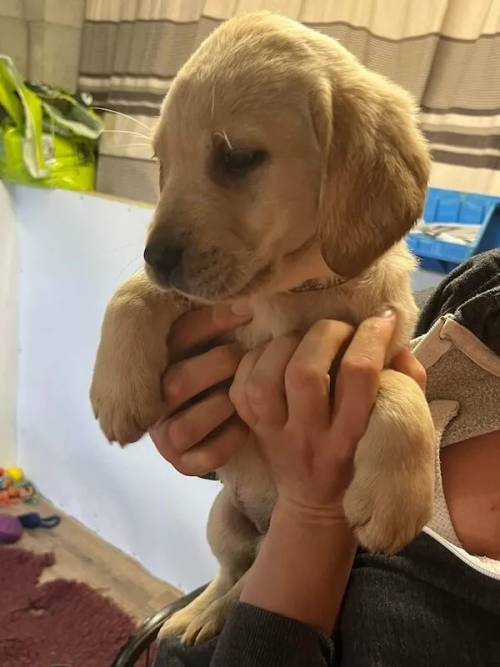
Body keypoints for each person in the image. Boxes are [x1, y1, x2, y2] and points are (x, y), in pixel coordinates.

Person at [151, 250, 500, 666]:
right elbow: (362, 356)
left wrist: (312, 513)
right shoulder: (485, 287)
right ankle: (229, 577)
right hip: (243, 528)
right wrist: (209, 417)